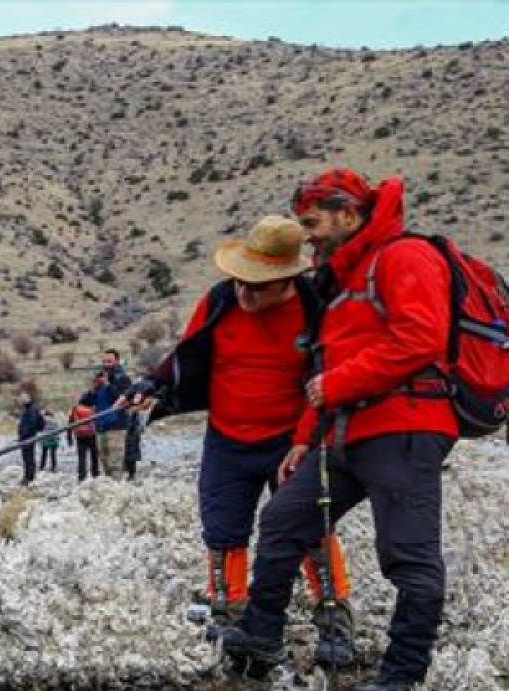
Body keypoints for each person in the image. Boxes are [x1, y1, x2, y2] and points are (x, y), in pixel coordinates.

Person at [221, 170, 458, 691]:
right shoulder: (346, 277)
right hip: (348, 430)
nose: (307, 236)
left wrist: (336, 387)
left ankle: (402, 675)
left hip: (407, 425)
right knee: (283, 519)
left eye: (312, 223)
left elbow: (421, 336)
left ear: (349, 215)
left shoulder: (405, 257)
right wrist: (305, 438)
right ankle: (260, 636)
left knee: (409, 554)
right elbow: (328, 369)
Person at [146, 214, 354, 664]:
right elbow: (186, 355)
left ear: (286, 280)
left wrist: (306, 439)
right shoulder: (220, 301)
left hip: (292, 439)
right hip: (227, 439)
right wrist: (150, 387)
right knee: (222, 531)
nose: (244, 291)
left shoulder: (317, 309)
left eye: (257, 285)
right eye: (240, 280)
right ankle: (230, 616)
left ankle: (334, 618)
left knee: (313, 529)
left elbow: (327, 380)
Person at [92, 350, 131, 478]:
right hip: (101, 425)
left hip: (116, 426)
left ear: (117, 361)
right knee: (104, 462)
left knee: (115, 462)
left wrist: (108, 385)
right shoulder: (100, 379)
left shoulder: (123, 379)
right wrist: (93, 388)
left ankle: (118, 488)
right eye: (104, 361)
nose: (106, 364)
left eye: (109, 361)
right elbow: (88, 401)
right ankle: (110, 487)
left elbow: (123, 398)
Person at [67, 389, 100, 482]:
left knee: (82, 456)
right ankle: (95, 473)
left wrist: (69, 438)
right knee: (94, 455)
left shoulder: (75, 408)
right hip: (91, 435)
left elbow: (70, 423)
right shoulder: (93, 409)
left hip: (80, 435)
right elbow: (96, 422)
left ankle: (81, 476)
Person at [15, 392, 44, 485]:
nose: (20, 402)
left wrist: (23, 434)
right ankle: (28, 476)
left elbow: (31, 424)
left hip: (28, 438)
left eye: (21, 400)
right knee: (28, 457)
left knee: (28, 458)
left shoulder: (30, 410)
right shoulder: (31, 409)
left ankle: (29, 477)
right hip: (28, 437)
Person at [37, 409, 60, 473]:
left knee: (44, 454)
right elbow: (58, 430)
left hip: (45, 439)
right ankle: (54, 467)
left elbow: (40, 430)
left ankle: (42, 467)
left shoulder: (43, 421)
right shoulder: (55, 421)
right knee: (53, 454)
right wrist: (57, 438)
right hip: (53, 440)